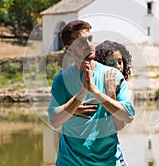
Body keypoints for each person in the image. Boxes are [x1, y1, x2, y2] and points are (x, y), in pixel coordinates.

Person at [47, 20, 135, 166]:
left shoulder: (112, 75)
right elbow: (55, 121)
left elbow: (128, 115)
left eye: (90, 39)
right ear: (69, 49)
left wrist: (96, 92)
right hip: (70, 162)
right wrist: (81, 95)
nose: (89, 45)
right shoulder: (62, 80)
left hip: (109, 162)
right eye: (82, 42)